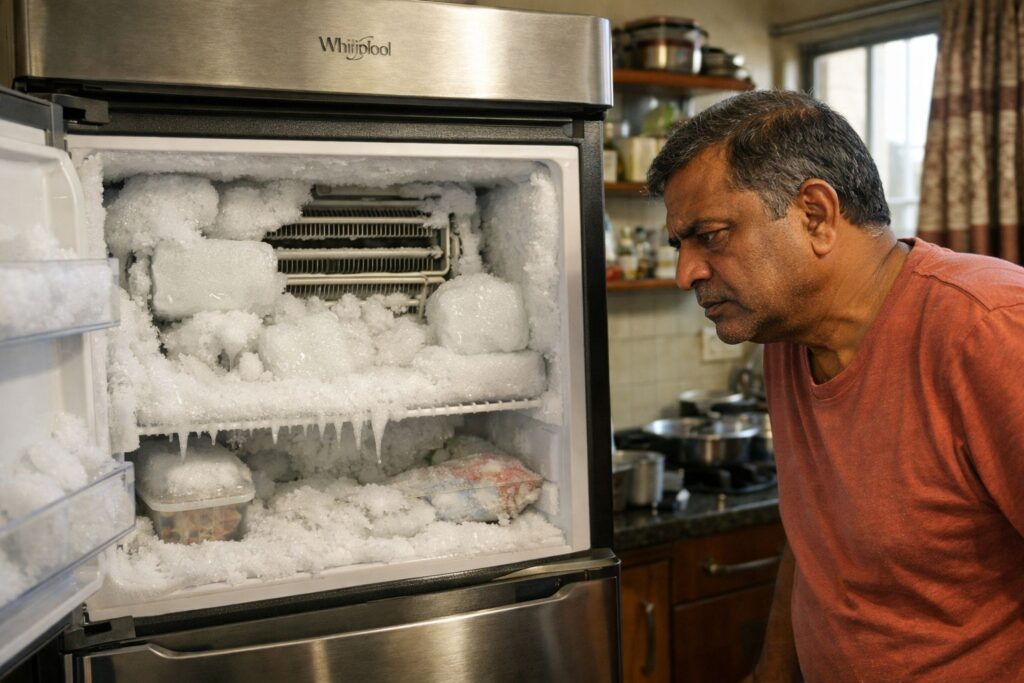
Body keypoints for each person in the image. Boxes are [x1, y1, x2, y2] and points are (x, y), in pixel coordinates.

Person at [646, 89, 1024, 683]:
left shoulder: (991, 329)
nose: (685, 273)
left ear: (815, 215)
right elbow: (815, 540)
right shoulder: (786, 337)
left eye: (710, 235)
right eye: (679, 245)